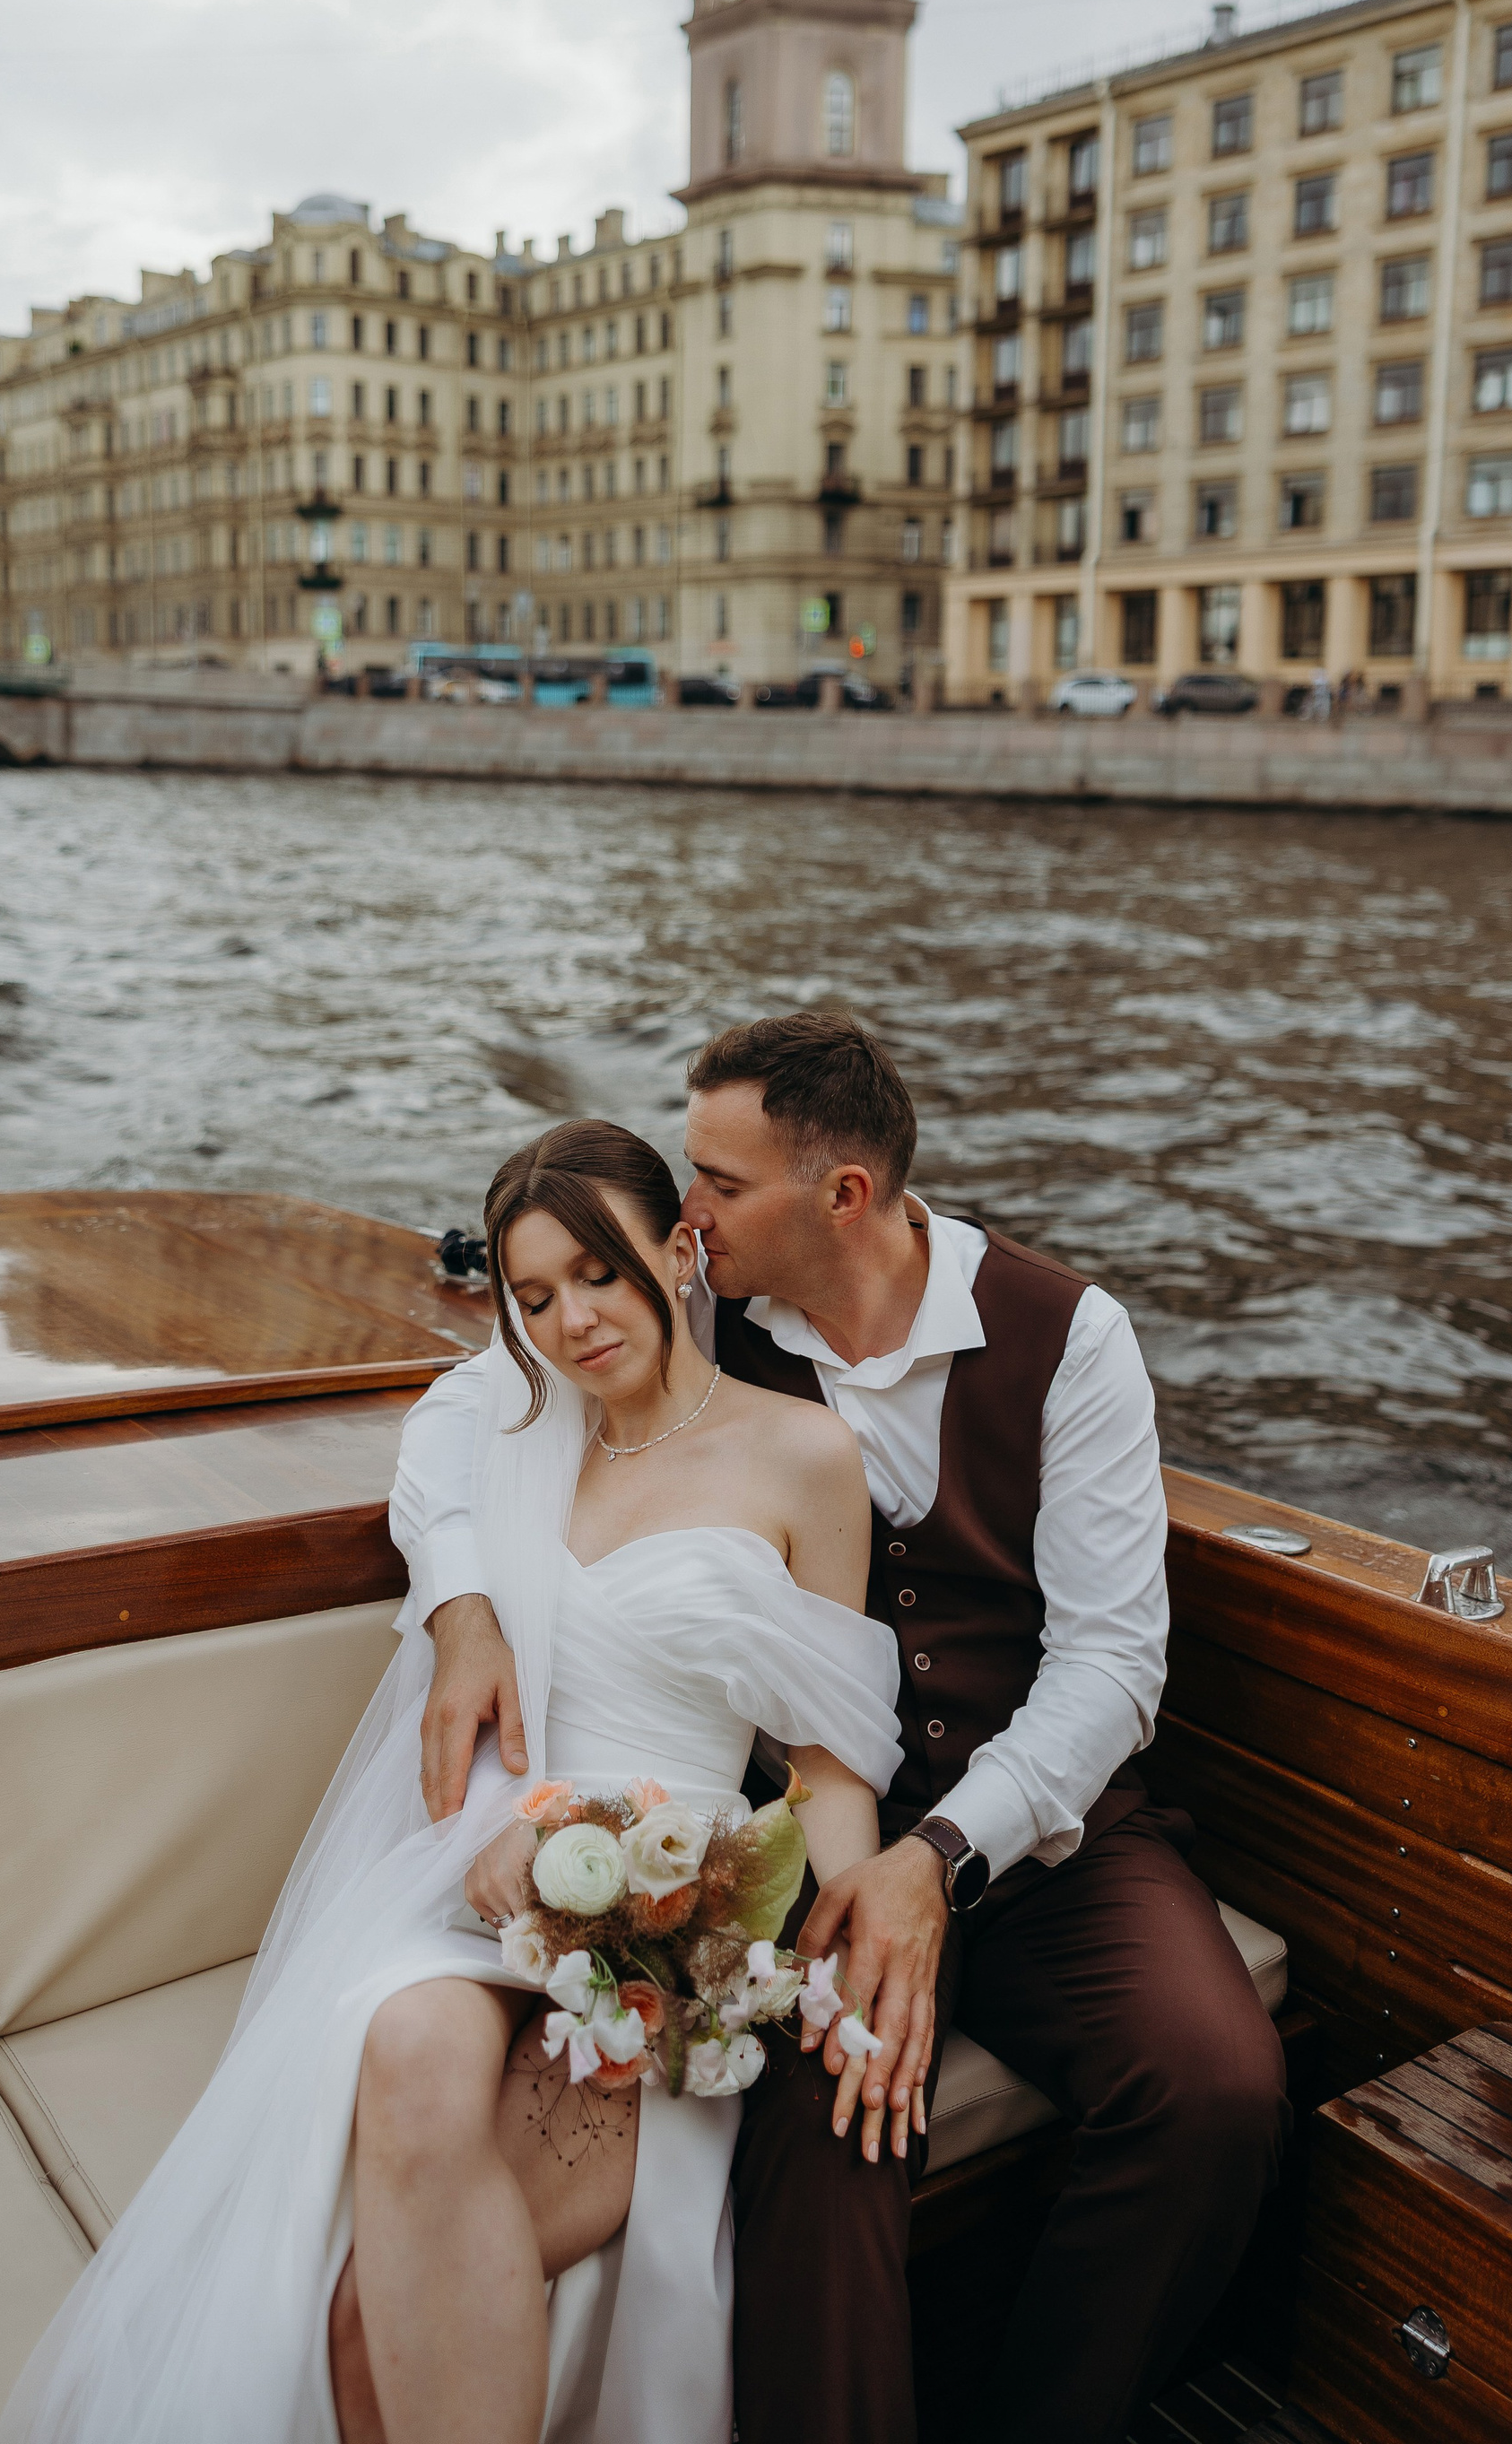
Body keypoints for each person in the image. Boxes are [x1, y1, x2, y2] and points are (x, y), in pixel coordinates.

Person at [407, 1012, 1291, 2444]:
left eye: (718, 1181)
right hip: (809, 1845)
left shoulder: (1071, 1337)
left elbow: (1114, 1665)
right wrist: (462, 1611)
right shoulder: (706, 1312)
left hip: (1047, 1839)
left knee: (1217, 2088)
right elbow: (465, 1410)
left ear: (844, 1194)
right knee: (826, 2143)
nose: (686, 1214)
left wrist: (937, 1855)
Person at [0, 1119, 905, 2444]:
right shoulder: (518, 1420)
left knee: (363, 2324)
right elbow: (433, 1445)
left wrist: (857, 1934)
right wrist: (462, 1610)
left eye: (598, 1273)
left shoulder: (806, 1457)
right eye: (532, 1297)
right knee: (408, 2038)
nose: (572, 1322)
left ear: (678, 1249)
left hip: (664, 1900)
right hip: (481, 1865)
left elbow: (829, 1761)